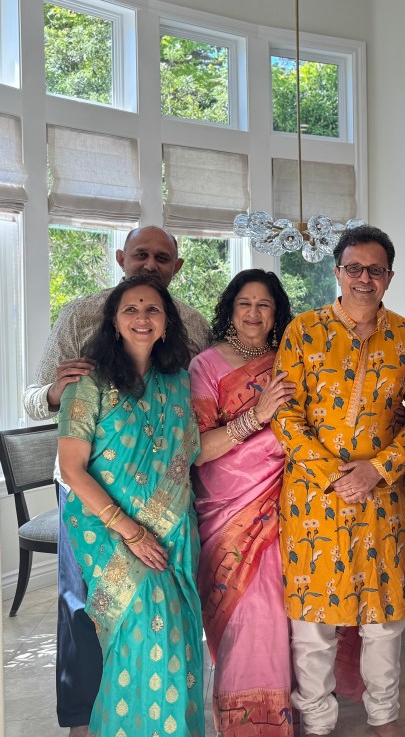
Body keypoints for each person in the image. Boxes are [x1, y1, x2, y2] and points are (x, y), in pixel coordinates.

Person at [22, 225, 209, 736]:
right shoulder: (79, 314)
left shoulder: (191, 324)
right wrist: (59, 394)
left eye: (162, 258)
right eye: (141, 254)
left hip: (169, 504)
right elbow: (35, 398)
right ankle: (86, 721)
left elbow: (197, 407)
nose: (150, 264)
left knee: (167, 624)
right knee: (88, 614)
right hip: (93, 499)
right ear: (122, 257)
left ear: (177, 267)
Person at [273, 224, 405, 737]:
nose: (365, 278)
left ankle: (384, 717)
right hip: (314, 501)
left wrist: (375, 470)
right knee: (313, 624)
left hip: (383, 499)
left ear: (390, 276)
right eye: (354, 268)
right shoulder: (303, 331)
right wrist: (332, 475)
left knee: (384, 621)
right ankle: (317, 721)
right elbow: (285, 416)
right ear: (337, 272)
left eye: (375, 270)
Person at [188, 269, 296, 736]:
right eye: (245, 303)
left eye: (264, 304)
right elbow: (197, 449)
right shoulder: (206, 366)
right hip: (228, 508)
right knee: (247, 615)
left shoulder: (291, 360)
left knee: (282, 614)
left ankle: (281, 717)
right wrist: (258, 415)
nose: (254, 313)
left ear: (276, 312)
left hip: (287, 502)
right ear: (230, 310)